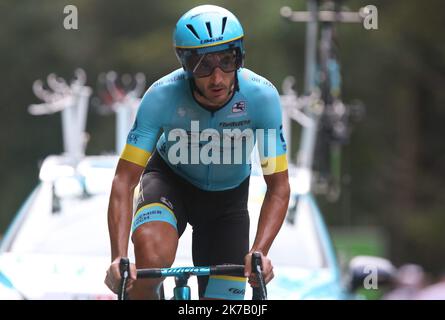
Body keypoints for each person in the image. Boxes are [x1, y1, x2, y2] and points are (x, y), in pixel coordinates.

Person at [104, 4, 290, 300]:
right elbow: (123, 181)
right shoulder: (161, 96)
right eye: (203, 66)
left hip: (227, 203)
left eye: (227, 61)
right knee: (149, 257)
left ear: (239, 57)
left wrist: (259, 252)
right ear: (185, 64)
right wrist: (118, 258)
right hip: (169, 182)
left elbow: (278, 187)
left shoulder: (262, 98)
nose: (216, 78)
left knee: (224, 302)